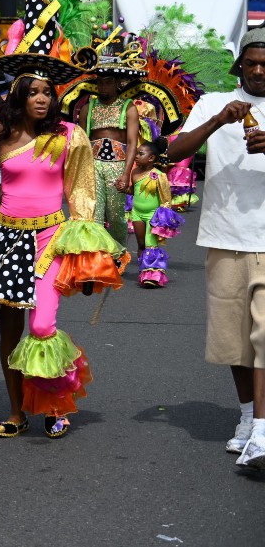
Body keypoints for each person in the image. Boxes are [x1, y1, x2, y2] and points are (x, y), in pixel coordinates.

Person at [0, 0, 126, 441]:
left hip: (49, 240)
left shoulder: (70, 136)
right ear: (18, 94)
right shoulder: (0, 136)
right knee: (10, 332)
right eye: (33, 92)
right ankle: (17, 411)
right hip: (4, 240)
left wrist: (90, 255)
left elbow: (81, 193)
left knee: (42, 323)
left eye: (48, 92)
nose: (42, 98)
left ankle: (55, 403)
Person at [167, 27, 265, 468]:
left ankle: (262, 431)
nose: (259, 71)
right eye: (252, 64)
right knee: (235, 342)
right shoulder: (212, 104)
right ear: (239, 67)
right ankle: (247, 418)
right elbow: (173, 152)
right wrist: (217, 121)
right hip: (224, 236)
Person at [73, 60, 142, 246]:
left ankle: (118, 254)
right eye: (100, 82)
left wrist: (126, 173)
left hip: (118, 166)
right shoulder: (88, 108)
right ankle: (97, 257)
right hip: (93, 165)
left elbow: (132, 142)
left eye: (108, 82)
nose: (103, 86)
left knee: (117, 216)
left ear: (118, 83)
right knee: (94, 214)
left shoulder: (128, 107)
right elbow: (81, 142)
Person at [126, 139, 183, 288]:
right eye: (136, 153)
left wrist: (164, 218)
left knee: (150, 244)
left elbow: (166, 198)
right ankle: (143, 269)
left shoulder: (158, 175)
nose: (136, 156)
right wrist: (123, 188)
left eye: (140, 153)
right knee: (141, 243)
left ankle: (153, 275)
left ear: (151, 158)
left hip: (152, 214)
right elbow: (132, 192)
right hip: (137, 213)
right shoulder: (135, 172)